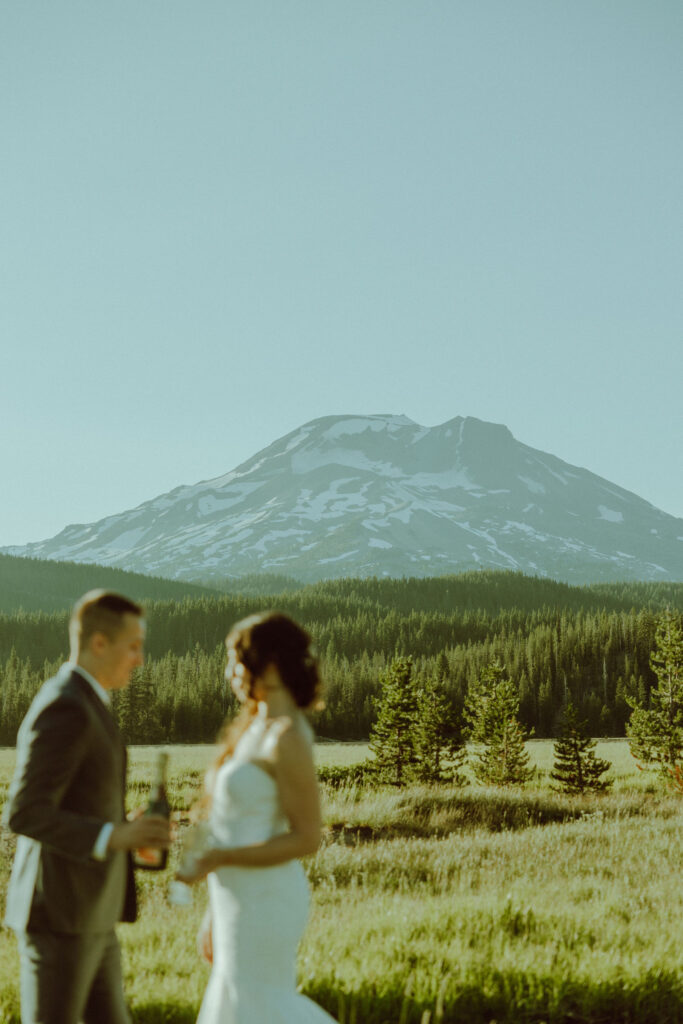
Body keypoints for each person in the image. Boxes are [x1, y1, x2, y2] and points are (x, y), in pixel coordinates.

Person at [4, 590, 171, 1024]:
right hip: (59, 916)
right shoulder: (66, 705)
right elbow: (24, 813)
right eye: (133, 646)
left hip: (94, 912)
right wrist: (115, 835)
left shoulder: (91, 701)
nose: (139, 658)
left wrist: (125, 826)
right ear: (99, 643)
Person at [177, 611, 335, 1023]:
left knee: (259, 1001)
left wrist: (221, 860)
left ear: (267, 664)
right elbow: (230, 823)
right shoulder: (252, 725)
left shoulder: (288, 736)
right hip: (234, 897)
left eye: (235, 659)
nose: (228, 671)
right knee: (235, 999)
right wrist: (213, 910)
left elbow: (306, 838)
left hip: (267, 898)